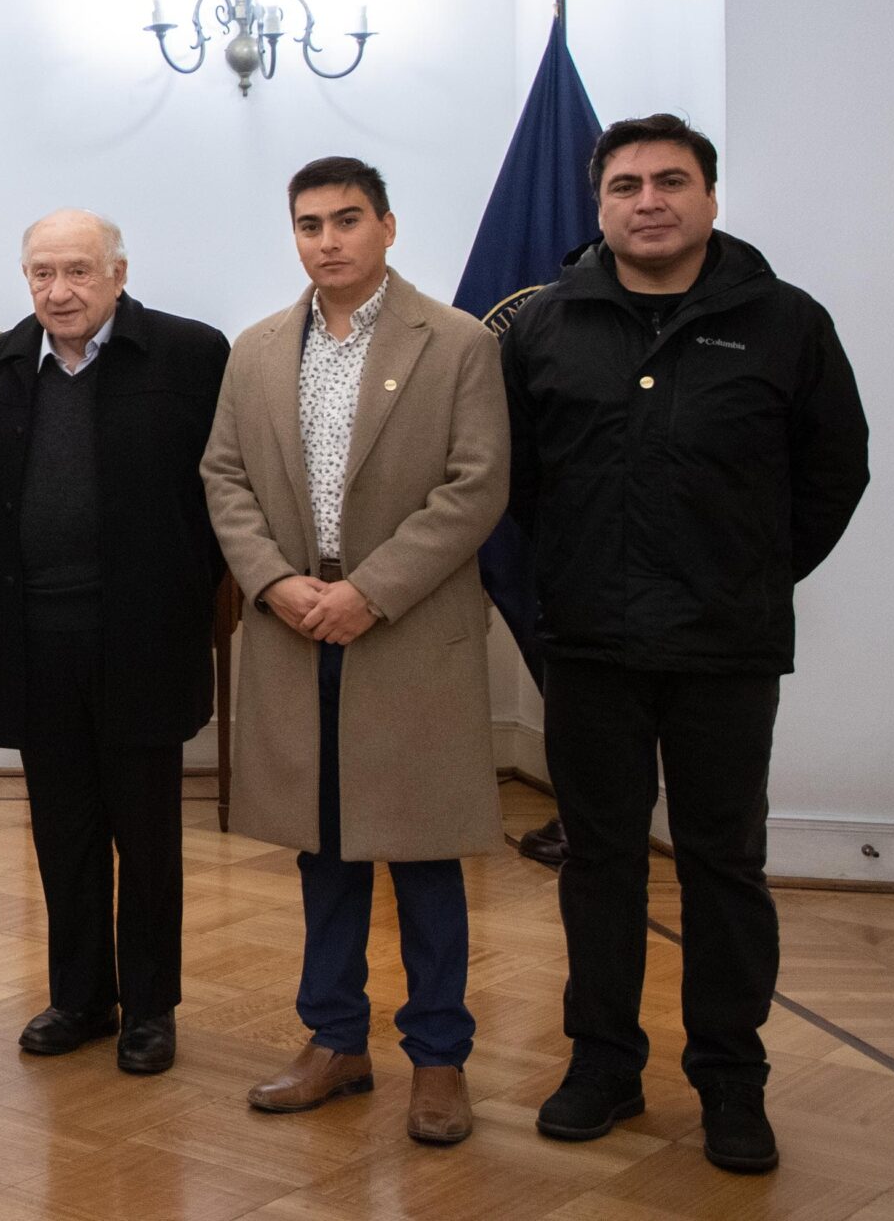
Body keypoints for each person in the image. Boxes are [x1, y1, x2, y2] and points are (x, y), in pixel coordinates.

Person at [502, 115, 868, 1176]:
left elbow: (830, 475)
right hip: (589, 645)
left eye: (671, 180)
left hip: (726, 646)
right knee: (599, 865)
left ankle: (730, 1081)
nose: (648, 200)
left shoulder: (784, 322)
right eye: (626, 184)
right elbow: (519, 481)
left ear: (710, 196)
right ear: (598, 204)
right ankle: (603, 1064)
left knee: (723, 868)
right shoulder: (544, 324)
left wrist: (748, 571)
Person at [201, 157, 509, 1147]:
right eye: (307, 223)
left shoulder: (457, 342)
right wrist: (277, 583)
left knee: (420, 852)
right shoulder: (254, 351)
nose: (325, 239)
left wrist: (369, 591)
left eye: (345, 219)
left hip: (406, 627)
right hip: (295, 626)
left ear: (386, 226)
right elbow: (224, 478)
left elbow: (476, 484)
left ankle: (438, 1059)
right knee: (321, 848)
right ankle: (333, 1040)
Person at [0, 210, 227, 1077]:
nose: (59, 291)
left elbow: (223, 493)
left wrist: (200, 601)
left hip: (144, 640)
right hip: (37, 637)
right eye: (41, 273)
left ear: (118, 272)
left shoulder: (189, 355)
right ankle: (80, 996)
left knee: (147, 834)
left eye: (78, 271)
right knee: (61, 829)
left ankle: (151, 1008)